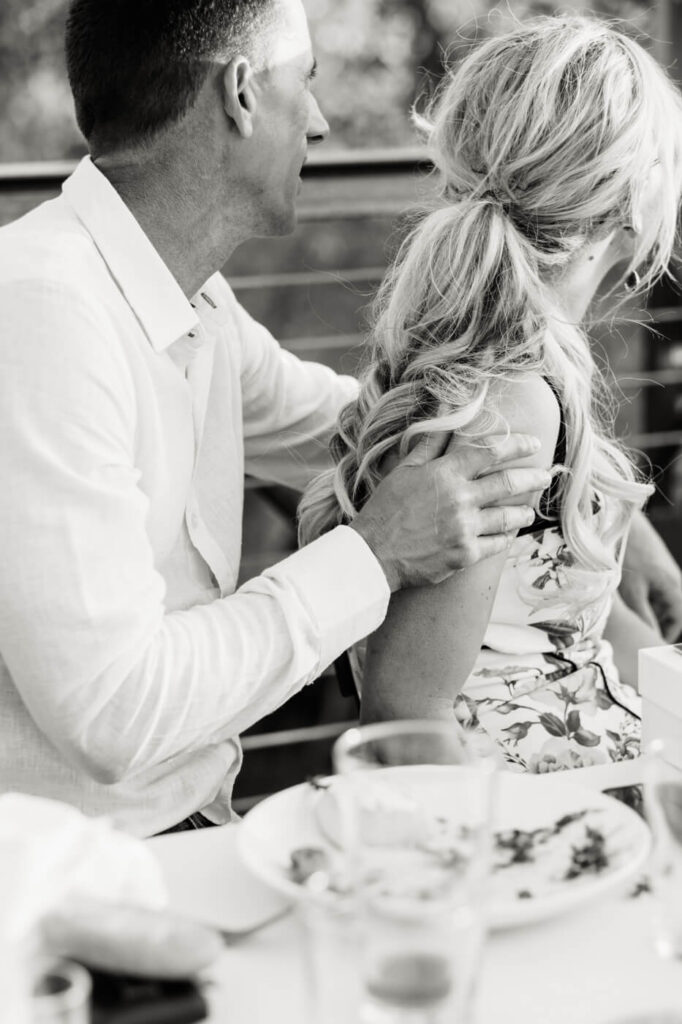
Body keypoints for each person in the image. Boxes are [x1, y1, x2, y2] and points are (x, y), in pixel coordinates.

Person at [0, 0, 557, 836]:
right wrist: (372, 556)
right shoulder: (42, 314)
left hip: (193, 826)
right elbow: (112, 714)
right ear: (242, 94)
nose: (324, 124)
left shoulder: (190, 299)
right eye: (309, 83)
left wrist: (566, 463)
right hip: (72, 879)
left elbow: (343, 424)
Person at [299, 15, 682, 771]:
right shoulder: (515, 402)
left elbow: (566, 635)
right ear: (634, 201)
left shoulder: (532, 373)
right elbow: (407, 708)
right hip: (514, 815)